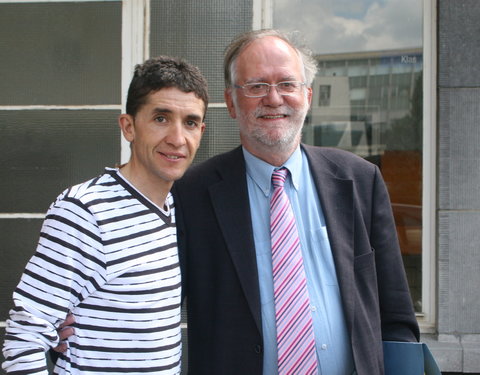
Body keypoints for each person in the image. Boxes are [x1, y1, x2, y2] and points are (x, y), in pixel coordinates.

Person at [173, 29, 419, 375]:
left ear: (308, 96)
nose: (274, 99)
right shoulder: (191, 194)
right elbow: (155, 298)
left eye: (287, 84)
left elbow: (395, 316)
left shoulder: (359, 181)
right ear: (231, 102)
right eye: (256, 86)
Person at [2, 56, 208, 375]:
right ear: (128, 126)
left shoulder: (178, 210)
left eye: (190, 122)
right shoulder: (84, 211)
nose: (178, 139)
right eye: (161, 118)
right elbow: (25, 339)